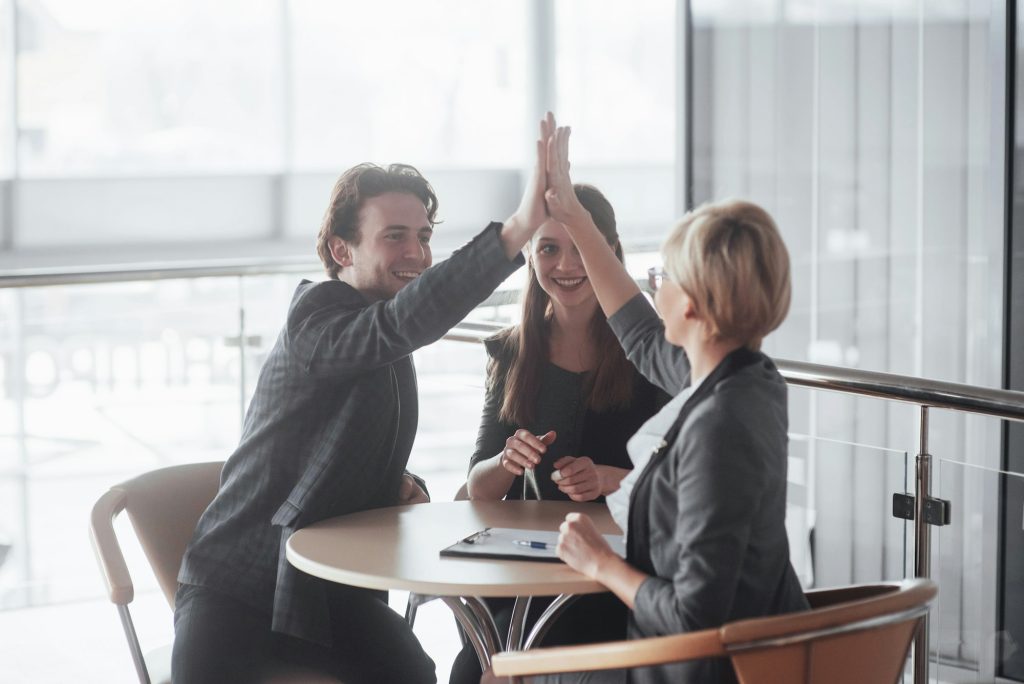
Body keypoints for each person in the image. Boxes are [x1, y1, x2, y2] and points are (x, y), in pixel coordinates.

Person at [172, 116, 555, 684]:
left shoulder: (382, 336)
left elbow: (345, 437)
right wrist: (518, 229)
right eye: (394, 235)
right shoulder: (317, 318)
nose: (417, 253)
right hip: (241, 586)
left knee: (418, 674)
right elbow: (404, 323)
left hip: (327, 591)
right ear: (340, 249)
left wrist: (402, 483)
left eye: (423, 236)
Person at [487, 122, 810, 683]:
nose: (650, 288)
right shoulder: (737, 375)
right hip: (735, 655)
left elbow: (693, 617)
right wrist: (573, 213)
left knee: (504, 672)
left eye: (662, 276)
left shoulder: (720, 426)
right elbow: (636, 333)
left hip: (696, 671)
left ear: (690, 306)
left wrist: (601, 564)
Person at [450, 185, 667, 683]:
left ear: (611, 252)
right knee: (473, 669)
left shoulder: (649, 352)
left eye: (581, 247)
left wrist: (610, 479)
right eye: (549, 248)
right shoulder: (511, 352)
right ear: (529, 254)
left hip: (618, 571)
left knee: (506, 669)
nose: (566, 265)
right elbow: (477, 488)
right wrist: (506, 460)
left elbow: (677, 476)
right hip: (532, 571)